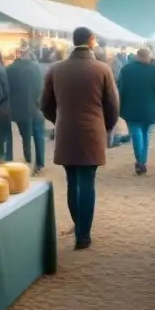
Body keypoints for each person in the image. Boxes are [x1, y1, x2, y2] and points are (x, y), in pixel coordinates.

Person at [40, 26, 120, 249]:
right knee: (87, 182)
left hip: (66, 130)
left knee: (72, 180)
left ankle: (79, 225)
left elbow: (45, 104)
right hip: (92, 131)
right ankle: (83, 234)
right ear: (92, 40)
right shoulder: (102, 69)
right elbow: (113, 105)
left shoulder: (56, 69)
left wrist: (59, 120)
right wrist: (106, 126)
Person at [118, 48, 155, 175]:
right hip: (151, 108)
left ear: (137, 56)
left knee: (136, 134)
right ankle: (142, 161)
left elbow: (120, 90)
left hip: (130, 107)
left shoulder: (126, 69)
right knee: (146, 133)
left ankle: (140, 162)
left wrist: (119, 107)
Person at [6, 47, 46, 170]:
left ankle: (28, 158)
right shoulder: (36, 68)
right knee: (39, 135)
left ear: (17, 55)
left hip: (19, 108)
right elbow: (41, 86)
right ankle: (40, 162)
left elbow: (7, 90)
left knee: (25, 136)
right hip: (36, 107)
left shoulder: (9, 69)